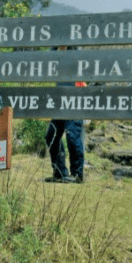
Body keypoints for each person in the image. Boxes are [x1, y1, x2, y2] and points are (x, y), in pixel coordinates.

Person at [45, 49, 86, 183]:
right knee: (51, 134)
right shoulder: (54, 54)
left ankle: (77, 174)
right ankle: (59, 172)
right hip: (60, 104)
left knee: (72, 135)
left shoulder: (75, 52)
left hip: (74, 102)